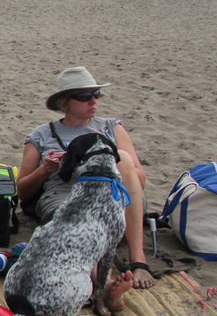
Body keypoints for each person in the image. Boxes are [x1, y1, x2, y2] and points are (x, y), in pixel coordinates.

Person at [17, 67, 155, 294]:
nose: (93, 101)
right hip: (64, 192)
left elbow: (139, 179)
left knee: (125, 158)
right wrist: (45, 170)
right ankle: (105, 283)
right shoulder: (42, 134)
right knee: (80, 213)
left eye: (96, 94)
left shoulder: (111, 127)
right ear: (64, 102)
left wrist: (107, 164)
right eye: (84, 96)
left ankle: (138, 260)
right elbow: (22, 192)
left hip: (111, 191)